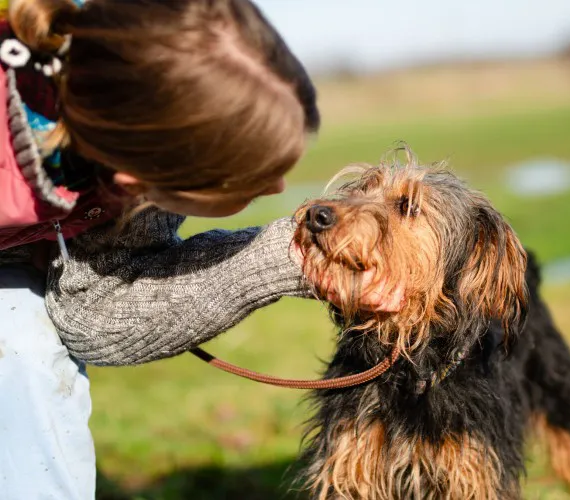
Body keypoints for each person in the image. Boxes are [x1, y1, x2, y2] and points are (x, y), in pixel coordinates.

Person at [0, 0, 401, 498]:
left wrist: (290, 258)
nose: (279, 189)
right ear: (139, 181)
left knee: (25, 344)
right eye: (251, 182)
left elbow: (91, 315)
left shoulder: (137, 116)